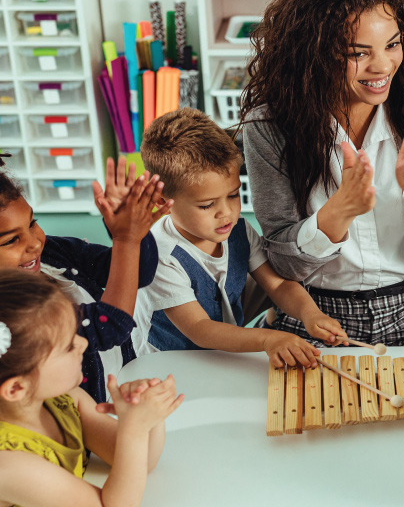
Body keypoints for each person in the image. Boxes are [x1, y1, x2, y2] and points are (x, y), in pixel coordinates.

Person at [240, 0, 404, 347]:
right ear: (312, 53)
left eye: (392, 44)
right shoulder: (269, 128)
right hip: (315, 310)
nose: (382, 65)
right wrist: (340, 211)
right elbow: (285, 265)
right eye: (357, 52)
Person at [134, 109, 347, 368]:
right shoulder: (160, 255)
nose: (226, 213)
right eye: (207, 205)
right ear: (162, 201)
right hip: (168, 364)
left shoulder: (238, 231)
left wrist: (310, 314)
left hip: (218, 356)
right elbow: (200, 329)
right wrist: (269, 340)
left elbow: (277, 285)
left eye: (233, 195)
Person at [0, 270, 184, 506]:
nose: (84, 343)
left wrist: (143, 413)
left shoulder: (65, 400)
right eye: (68, 346)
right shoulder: (11, 465)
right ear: (16, 388)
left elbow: (142, 460)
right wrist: (134, 429)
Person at [0, 153, 168, 403]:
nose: (35, 243)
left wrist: (133, 231)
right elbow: (109, 326)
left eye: (32, 223)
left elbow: (137, 273)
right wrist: (126, 239)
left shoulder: (53, 253)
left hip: (123, 388)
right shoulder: (10, 314)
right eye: (12, 239)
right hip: (83, 423)